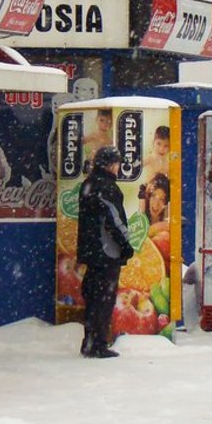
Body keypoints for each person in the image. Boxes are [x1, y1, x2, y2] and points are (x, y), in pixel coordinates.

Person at [76, 145, 133, 359]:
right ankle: (98, 344)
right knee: (104, 299)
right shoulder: (107, 187)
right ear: (111, 165)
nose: (119, 168)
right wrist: (126, 246)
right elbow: (114, 220)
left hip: (91, 253)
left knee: (92, 298)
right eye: (117, 163)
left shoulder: (88, 185)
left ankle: (89, 341)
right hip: (107, 253)